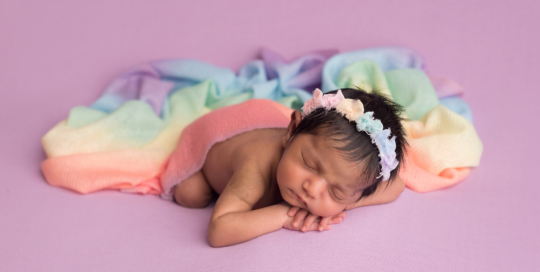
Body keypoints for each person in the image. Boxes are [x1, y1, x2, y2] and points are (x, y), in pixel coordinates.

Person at [173, 88, 408, 247]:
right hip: (214, 135)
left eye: (337, 190)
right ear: (292, 130)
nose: (312, 189)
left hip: (271, 132)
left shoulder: (345, 174)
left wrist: (340, 203)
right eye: (309, 164)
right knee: (191, 194)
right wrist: (285, 215)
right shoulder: (256, 168)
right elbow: (219, 230)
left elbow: (396, 185)